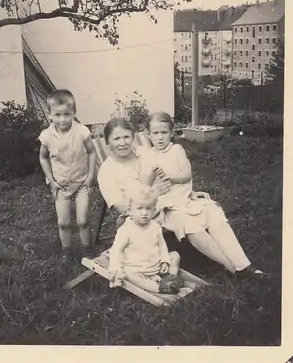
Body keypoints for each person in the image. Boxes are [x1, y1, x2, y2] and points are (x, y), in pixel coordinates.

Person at [98, 117, 264, 278]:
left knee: (212, 210)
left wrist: (187, 193)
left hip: (171, 200)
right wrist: (155, 193)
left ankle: (243, 264)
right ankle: (233, 268)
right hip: (144, 214)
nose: (122, 143)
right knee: (185, 220)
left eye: (126, 137)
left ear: (133, 137)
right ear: (108, 142)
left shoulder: (145, 153)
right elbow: (122, 209)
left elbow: (173, 173)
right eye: (116, 139)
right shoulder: (107, 172)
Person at [39, 89, 97, 258]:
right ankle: (67, 253)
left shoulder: (82, 132)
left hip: (82, 184)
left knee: (83, 221)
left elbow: (92, 152)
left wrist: (91, 175)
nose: (62, 119)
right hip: (60, 186)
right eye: (57, 115)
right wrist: (51, 181)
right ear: (49, 115)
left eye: (67, 114)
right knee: (63, 223)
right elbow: (43, 158)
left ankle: (88, 251)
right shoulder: (46, 136)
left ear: (74, 113)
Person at [108, 184, 185, 294]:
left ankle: (170, 278)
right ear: (130, 210)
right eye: (139, 208)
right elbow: (116, 250)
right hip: (137, 268)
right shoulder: (125, 230)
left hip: (155, 265)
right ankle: (156, 288)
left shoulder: (155, 226)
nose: (144, 213)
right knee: (128, 274)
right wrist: (115, 269)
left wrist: (164, 260)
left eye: (148, 209)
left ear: (154, 209)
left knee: (175, 256)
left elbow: (162, 245)